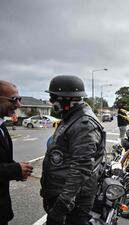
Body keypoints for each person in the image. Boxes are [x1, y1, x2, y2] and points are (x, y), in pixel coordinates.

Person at [40, 75, 105, 225]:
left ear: (67, 99)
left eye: (53, 97)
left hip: (72, 201)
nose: (51, 101)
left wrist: (61, 206)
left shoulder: (83, 124)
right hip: (62, 194)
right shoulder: (71, 117)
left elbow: (81, 168)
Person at [0, 81, 33, 225]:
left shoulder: (1, 125)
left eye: (19, 99)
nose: (18, 105)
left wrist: (18, 171)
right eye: (14, 99)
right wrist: (15, 169)